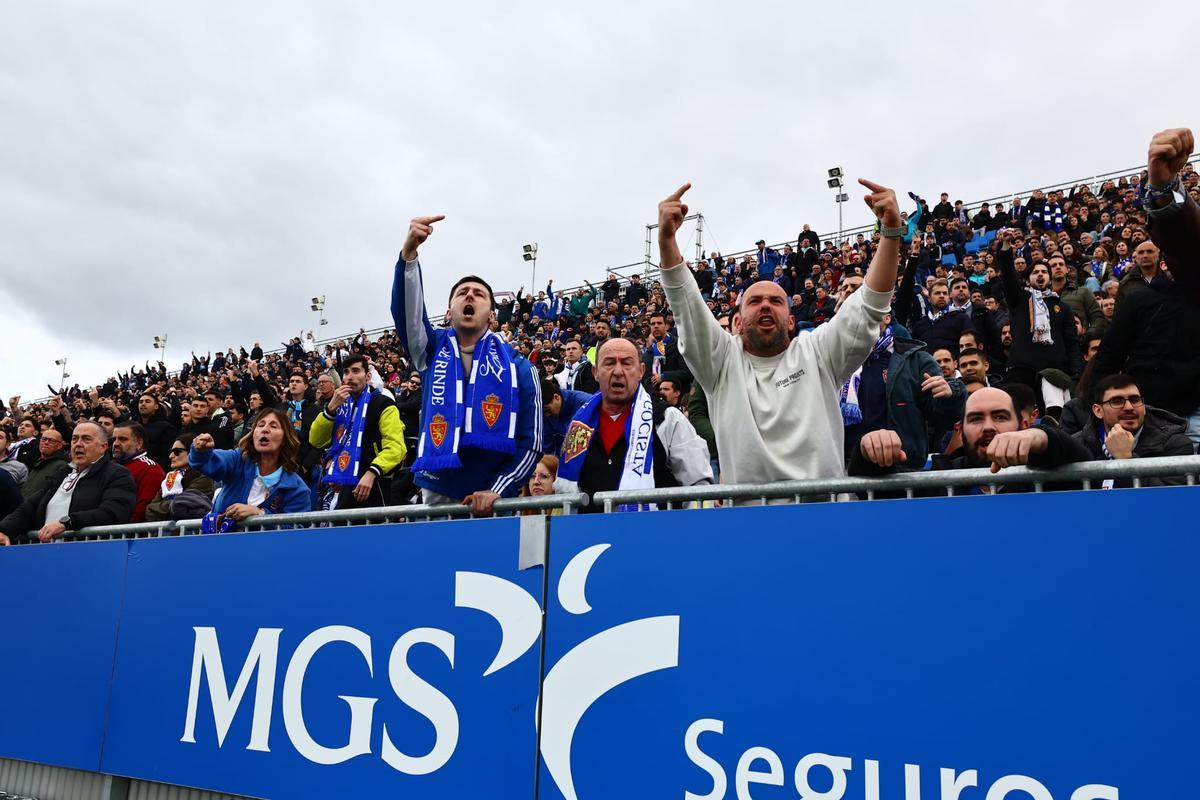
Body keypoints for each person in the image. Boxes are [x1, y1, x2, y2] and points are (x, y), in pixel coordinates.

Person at [657, 179, 904, 487]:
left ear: (790, 321)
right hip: (747, 522)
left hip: (820, 517)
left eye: (776, 301)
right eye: (754, 301)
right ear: (738, 320)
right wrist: (666, 239)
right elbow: (685, 304)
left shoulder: (818, 352)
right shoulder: (720, 362)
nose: (765, 306)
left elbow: (869, 304)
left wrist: (891, 232)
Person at [391, 215, 543, 514]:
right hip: (436, 490)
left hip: (494, 498)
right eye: (462, 293)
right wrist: (409, 256)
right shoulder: (430, 350)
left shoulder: (519, 368)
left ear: (492, 315)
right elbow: (408, 316)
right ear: (449, 312)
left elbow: (531, 441)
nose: (470, 295)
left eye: (479, 294)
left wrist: (497, 489)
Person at [556, 338, 712, 510]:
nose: (617, 371)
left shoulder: (667, 418)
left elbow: (698, 486)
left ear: (641, 371)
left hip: (657, 533)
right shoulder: (578, 426)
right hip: (592, 535)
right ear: (595, 372)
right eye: (609, 363)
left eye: (627, 363)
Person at [850, 388, 1092, 493]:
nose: (988, 427)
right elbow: (879, 495)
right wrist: (869, 450)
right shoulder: (940, 478)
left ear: (1023, 425)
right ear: (961, 430)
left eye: (1000, 416)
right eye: (976, 419)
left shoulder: (1051, 474)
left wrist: (1042, 437)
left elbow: (1088, 466)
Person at [840, 318, 966, 470]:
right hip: (844, 470)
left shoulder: (915, 359)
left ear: (886, 317)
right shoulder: (836, 358)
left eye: (870, 310)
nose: (862, 316)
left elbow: (941, 416)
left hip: (901, 471)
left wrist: (950, 395)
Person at [0, 421, 136, 545]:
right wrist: (5, 530)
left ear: (103, 447)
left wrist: (67, 522)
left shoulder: (117, 474)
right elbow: (30, 506)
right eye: (74, 439)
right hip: (45, 552)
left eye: (86, 439)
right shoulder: (63, 473)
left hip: (87, 554)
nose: (78, 444)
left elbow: (113, 513)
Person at [997, 230, 1081, 416]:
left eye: (1045, 272)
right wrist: (1005, 246)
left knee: (1054, 419)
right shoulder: (1018, 299)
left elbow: (1071, 341)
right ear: (1027, 279)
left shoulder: (1062, 307)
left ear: (1050, 279)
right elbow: (1008, 275)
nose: (1041, 275)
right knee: (1018, 419)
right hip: (1021, 370)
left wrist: (1075, 372)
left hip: (1054, 371)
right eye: (1036, 272)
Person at [309, 354, 407, 510]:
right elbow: (316, 440)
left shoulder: (383, 404)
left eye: (356, 371)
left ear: (368, 376)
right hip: (345, 485)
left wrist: (372, 472)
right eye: (346, 372)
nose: (350, 377)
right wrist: (329, 411)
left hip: (375, 484)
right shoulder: (339, 406)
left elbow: (396, 447)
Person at [188, 408, 311, 531]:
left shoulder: (297, 488)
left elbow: (296, 531)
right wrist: (201, 451)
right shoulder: (238, 460)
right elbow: (210, 462)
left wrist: (260, 514)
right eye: (260, 425)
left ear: (285, 439)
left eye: (273, 426)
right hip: (221, 545)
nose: (265, 429)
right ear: (253, 434)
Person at [1071, 374, 1194, 486]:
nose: (1129, 407)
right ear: (1098, 411)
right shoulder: (1078, 444)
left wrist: (1126, 460)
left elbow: (1168, 502)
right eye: (1117, 401)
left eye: (1135, 400)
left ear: (1144, 408)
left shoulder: (1175, 444)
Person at [145, 434, 216, 522]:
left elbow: (183, 506)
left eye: (177, 451)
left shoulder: (204, 478)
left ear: (192, 452)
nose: (171, 456)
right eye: (171, 451)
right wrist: (171, 506)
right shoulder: (169, 478)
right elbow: (149, 510)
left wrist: (162, 509)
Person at [111, 421, 166, 523]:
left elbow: (142, 509)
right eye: (114, 439)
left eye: (123, 439)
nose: (116, 444)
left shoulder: (150, 469)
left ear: (139, 443)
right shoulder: (108, 466)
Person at [541, 379, 593, 456]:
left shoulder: (586, 404)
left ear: (556, 397)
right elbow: (547, 447)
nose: (547, 415)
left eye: (548, 410)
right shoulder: (545, 413)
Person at [136, 392, 178, 469]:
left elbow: (167, 456)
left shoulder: (166, 428)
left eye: (147, 401)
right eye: (141, 402)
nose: (143, 404)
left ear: (156, 406)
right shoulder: (134, 426)